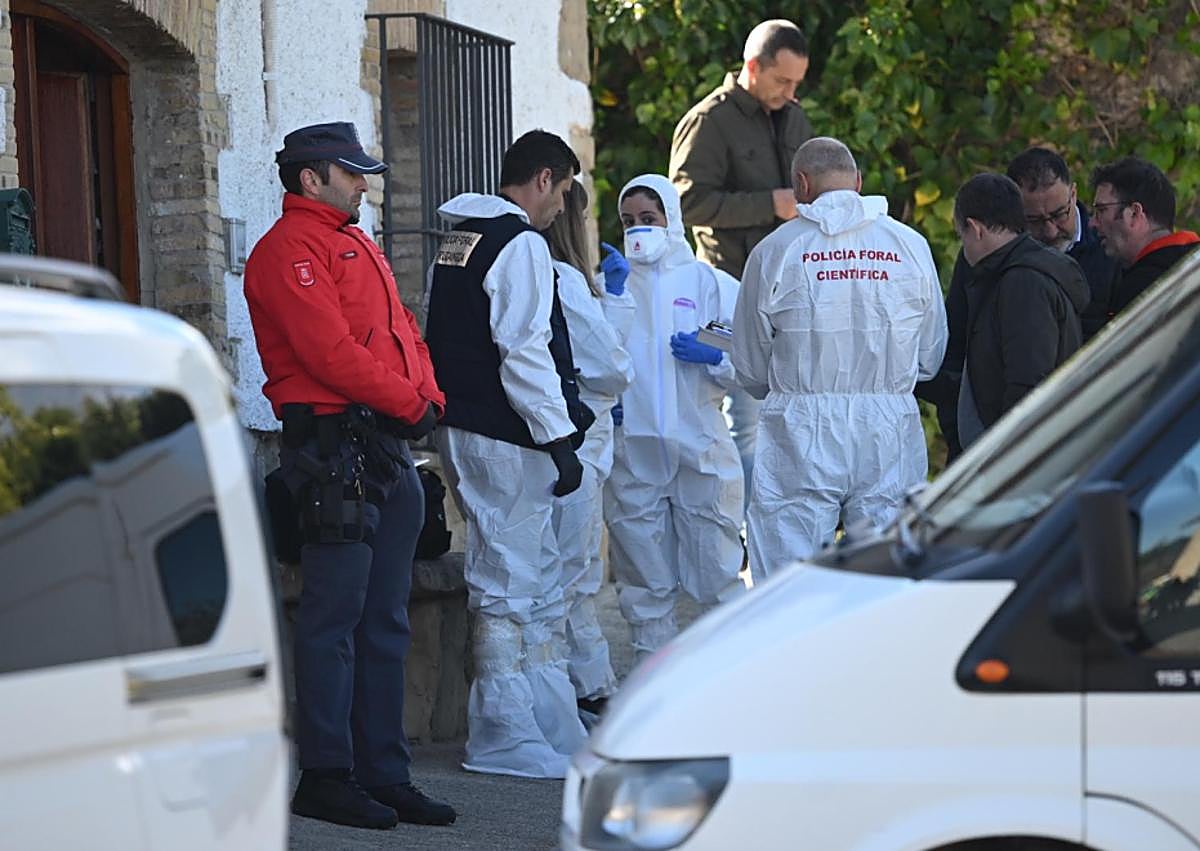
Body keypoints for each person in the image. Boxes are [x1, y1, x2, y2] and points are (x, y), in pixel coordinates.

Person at [244, 121, 455, 830]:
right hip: (331, 449)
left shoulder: (352, 241)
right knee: (333, 620)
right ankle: (327, 774)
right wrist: (412, 400)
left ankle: (384, 773)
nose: (364, 182)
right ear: (312, 177)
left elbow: (403, 330)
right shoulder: (287, 249)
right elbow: (328, 351)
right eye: (352, 171)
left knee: (385, 621)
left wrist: (426, 394)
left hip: (384, 446)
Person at [425, 130, 593, 779]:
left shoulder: (462, 237)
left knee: (532, 573)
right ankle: (503, 732)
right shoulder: (519, 241)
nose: (561, 210)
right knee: (509, 578)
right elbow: (523, 350)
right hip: (507, 432)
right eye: (565, 191)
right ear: (545, 179)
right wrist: (559, 436)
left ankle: (547, 719)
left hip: (470, 427)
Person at [732, 137, 947, 580]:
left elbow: (750, 364)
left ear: (801, 185)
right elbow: (930, 356)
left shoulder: (775, 251)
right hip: (888, 427)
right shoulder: (909, 246)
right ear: (859, 183)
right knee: (890, 570)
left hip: (800, 426)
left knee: (788, 577)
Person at [669, 19, 814, 501]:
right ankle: (748, 543)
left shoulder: (794, 118)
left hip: (791, 294)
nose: (791, 93)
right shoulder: (708, 121)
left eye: (797, 82)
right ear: (753, 67)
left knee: (793, 423)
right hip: (728, 294)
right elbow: (685, 204)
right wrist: (769, 204)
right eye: (782, 81)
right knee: (745, 426)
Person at [604, 173, 745, 662]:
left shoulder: (711, 284)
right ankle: (652, 689)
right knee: (644, 583)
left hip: (700, 444)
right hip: (634, 451)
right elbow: (593, 356)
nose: (639, 229)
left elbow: (751, 361)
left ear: (672, 220)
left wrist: (716, 359)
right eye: (628, 221)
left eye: (649, 219)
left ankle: (725, 682)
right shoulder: (610, 287)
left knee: (718, 572)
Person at [918, 146, 1119, 460]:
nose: (1051, 230)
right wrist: (961, 423)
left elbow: (1027, 383)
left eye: (1058, 214)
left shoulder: (1105, 251)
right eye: (1034, 221)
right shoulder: (981, 262)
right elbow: (958, 345)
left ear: (1073, 193)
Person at [543, 180, 635, 718]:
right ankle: (584, 690)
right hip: (577, 440)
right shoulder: (564, 280)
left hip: (559, 438)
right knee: (575, 573)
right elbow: (610, 365)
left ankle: (583, 683)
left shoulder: (561, 279)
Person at [953, 173, 1089, 448]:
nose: (964, 247)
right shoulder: (1015, 275)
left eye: (961, 236)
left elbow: (1028, 380)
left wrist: (1009, 454)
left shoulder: (1023, 282)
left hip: (1019, 454)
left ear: (975, 228)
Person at [1090, 156, 1199, 315]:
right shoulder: (1191, 267)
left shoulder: (1142, 291)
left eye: (1101, 210)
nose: (1092, 222)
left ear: (1134, 213)